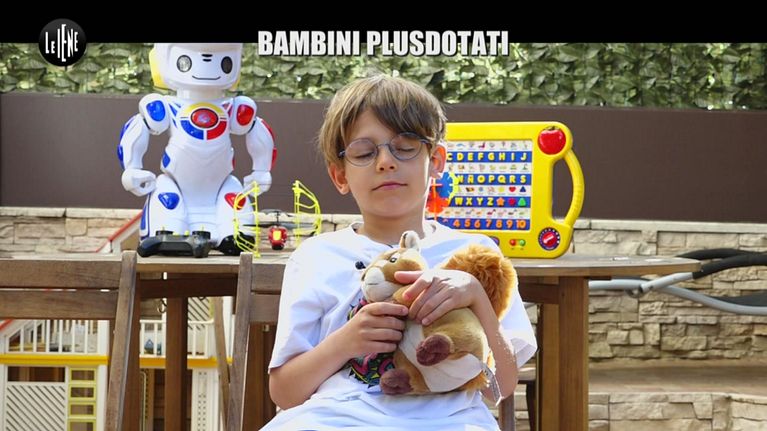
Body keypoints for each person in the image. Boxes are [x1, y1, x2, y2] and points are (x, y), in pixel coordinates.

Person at [261, 74, 537, 430]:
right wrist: (346, 342)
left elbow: (502, 387)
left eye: (404, 147)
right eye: (364, 152)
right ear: (340, 176)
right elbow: (285, 393)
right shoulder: (315, 257)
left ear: (436, 160)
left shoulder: (477, 254)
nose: (385, 162)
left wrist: (476, 296)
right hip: (335, 418)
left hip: (452, 421)